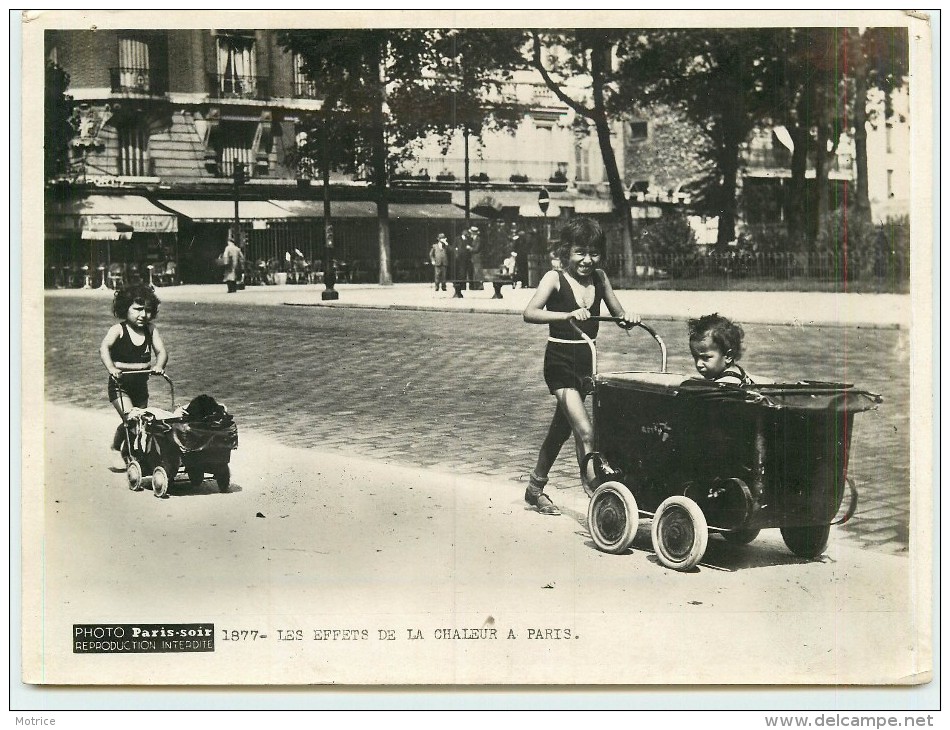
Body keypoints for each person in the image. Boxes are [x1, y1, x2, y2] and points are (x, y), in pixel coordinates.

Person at [522, 217, 639, 515]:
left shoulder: (600, 278)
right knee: (586, 431)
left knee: (562, 429)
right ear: (566, 251)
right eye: (579, 252)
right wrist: (566, 315)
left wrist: (629, 318)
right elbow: (530, 313)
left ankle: (535, 488)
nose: (587, 260)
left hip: (587, 363)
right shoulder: (554, 278)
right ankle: (599, 498)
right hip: (560, 362)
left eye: (594, 253)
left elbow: (618, 313)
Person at [99, 284, 168, 471]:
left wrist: (159, 366)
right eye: (137, 309)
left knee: (141, 422)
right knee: (131, 419)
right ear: (125, 308)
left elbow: (161, 351)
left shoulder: (151, 330)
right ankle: (115, 448)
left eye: (147, 310)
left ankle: (132, 453)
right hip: (119, 386)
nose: (143, 315)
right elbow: (104, 348)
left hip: (140, 386)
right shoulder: (118, 330)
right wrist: (112, 368)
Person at [687, 313, 754, 385]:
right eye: (695, 357)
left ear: (728, 356)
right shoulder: (737, 371)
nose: (698, 364)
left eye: (705, 357)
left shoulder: (727, 382)